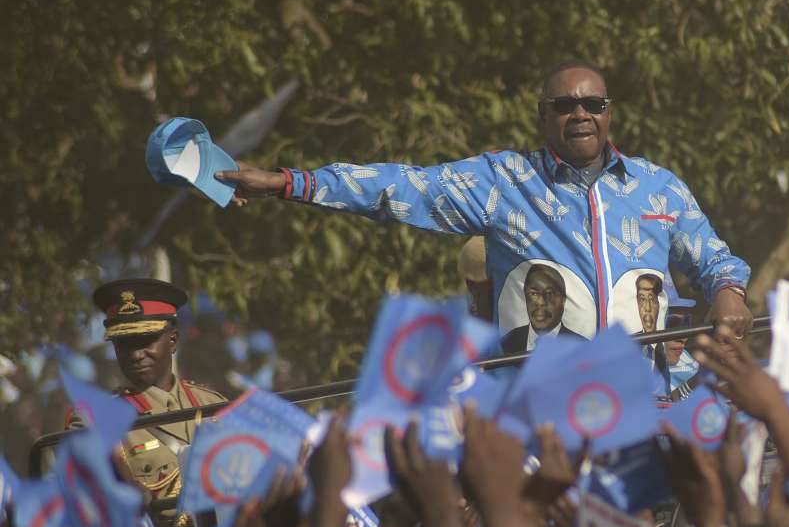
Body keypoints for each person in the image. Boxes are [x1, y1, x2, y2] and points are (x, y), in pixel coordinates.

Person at [216, 59, 753, 352]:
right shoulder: (505, 180)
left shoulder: (659, 186)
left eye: (594, 103)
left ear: (610, 114)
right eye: (564, 106)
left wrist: (730, 294)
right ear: (544, 118)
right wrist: (289, 183)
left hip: (648, 397)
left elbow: (715, 259)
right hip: (541, 410)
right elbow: (401, 187)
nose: (581, 114)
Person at [66, 278, 227, 527]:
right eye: (124, 344)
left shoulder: (213, 405)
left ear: (172, 340)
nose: (135, 354)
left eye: (146, 341)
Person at [500, 263, 584, 352]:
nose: (540, 302)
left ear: (563, 300)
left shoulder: (581, 347)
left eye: (549, 294)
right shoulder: (506, 343)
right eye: (533, 294)